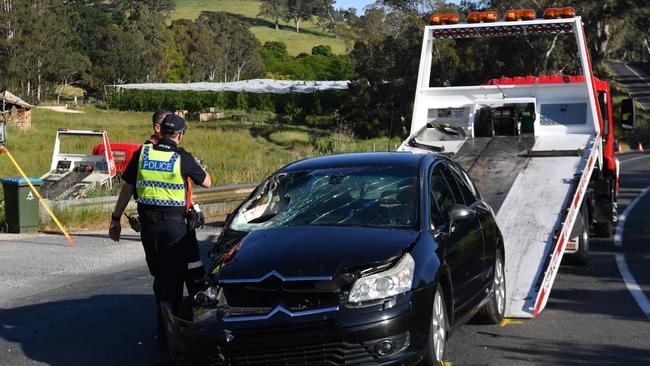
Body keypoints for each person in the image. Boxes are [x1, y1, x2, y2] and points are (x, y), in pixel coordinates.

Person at [109, 114, 212, 347]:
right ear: (180, 134)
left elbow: (127, 189)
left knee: (160, 277)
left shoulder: (142, 154)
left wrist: (115, 218)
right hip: (175, 227)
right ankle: (171, 336)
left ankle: (163, 328)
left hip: (149, 228)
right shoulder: (181, 157)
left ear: (160, 131)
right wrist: (194, 164)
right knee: (174, 283)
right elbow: (207, 182)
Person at [149, 111, 205, 296]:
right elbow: (206, 181)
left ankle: (189, 309)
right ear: (158, 128)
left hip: (177, 218)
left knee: (190, 269)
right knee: (170, 276)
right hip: (171, 221)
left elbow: (177, 186)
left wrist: (194, 206)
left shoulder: (154, 154)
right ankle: (172, 317)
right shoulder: (151, 154)